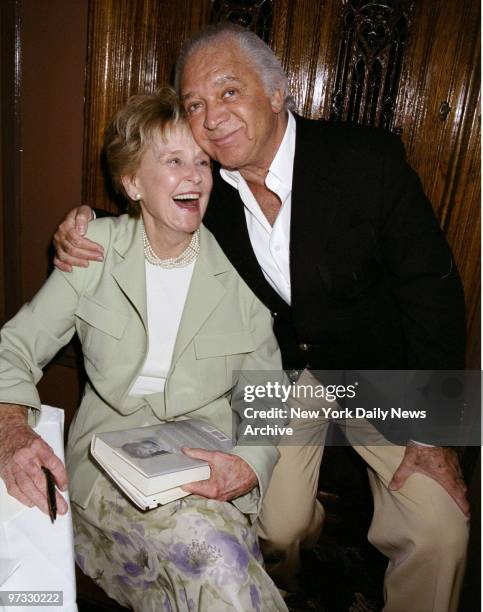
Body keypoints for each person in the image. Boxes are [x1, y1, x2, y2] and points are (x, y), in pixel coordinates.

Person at [52, 24, 470, 612]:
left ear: (277, 91)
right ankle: (297, 580)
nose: (211, 116)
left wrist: (438, 435)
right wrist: (85, 222)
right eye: (194, 104)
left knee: (440, 531)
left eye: (228, 92)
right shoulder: (206, 190)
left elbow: (435, 293)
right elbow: (149, 214)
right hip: (281, 378)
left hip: (377, 376)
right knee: (276, 527)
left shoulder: (365, 160)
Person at [0, 87, 289, 612]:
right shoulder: (93, 251)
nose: (195, 176)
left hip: (204, 462)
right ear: (132, 181)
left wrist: (248, 463)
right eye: (174, 160)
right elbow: (13, 349)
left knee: (216, 563)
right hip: (107, 463)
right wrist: (12, 428)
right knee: (216, 568)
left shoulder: (241, 267)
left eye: (202, 162)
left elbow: (268, 390)